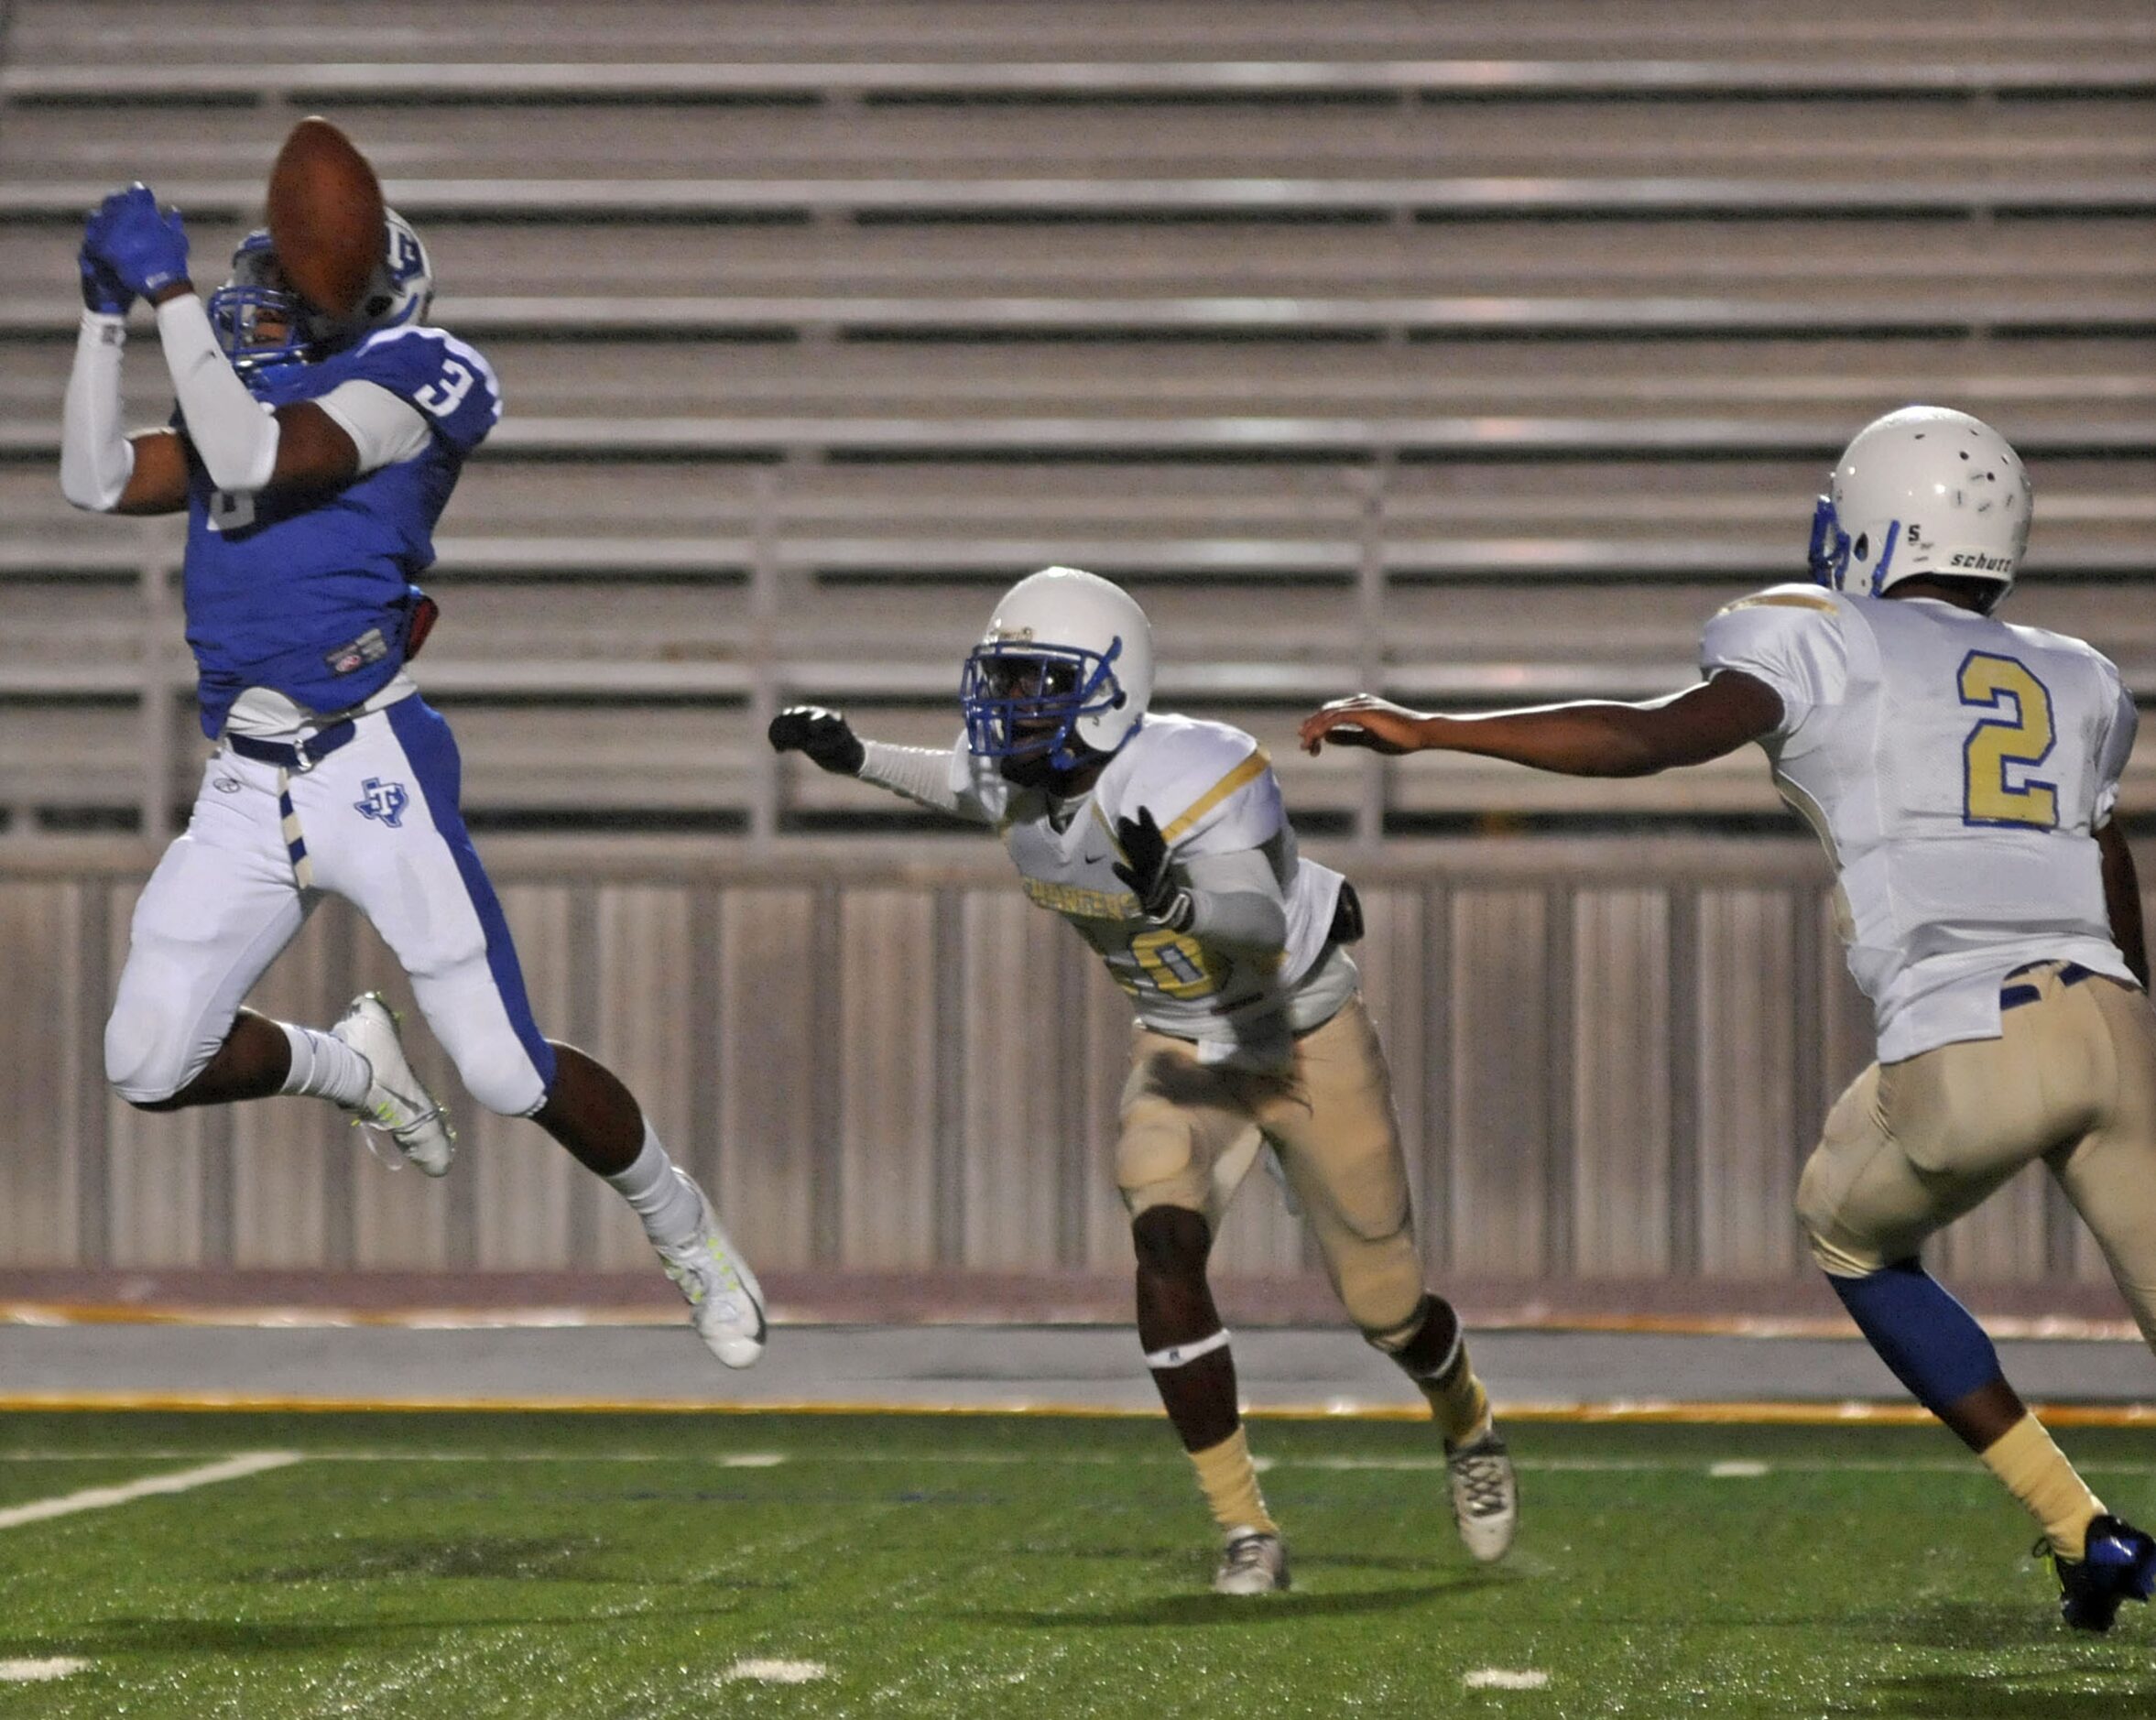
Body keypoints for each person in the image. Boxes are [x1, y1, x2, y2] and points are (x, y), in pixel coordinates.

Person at [1300, 404, 2155, 1631]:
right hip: (2111, 1023)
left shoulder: (1822, 634)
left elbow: (1649, 737)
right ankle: (2087, 1541)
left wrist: (1435, 728)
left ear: (1873, 518)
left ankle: (2078, 1525)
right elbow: (2103, 856)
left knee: (1846, 1231)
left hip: (1967, 1030)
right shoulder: (2074, 672)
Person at [60, 181, 765, 1369]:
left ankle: (679, 1219)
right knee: (145, 1062)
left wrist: (167, 289)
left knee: (501, 1067)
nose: (261, 298)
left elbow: (254, 451)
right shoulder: (250, 405)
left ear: (365, 295)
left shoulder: (421, 376)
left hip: (367, 763)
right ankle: (351, 1065)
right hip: (246, 780)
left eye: (291, 280)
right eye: (254, 277)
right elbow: (91, 479)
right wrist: (100, 317)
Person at [770, 565, 1516, 1593]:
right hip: (1176, 1047)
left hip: (1299, 1035)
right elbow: (951, 781)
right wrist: (850, 756)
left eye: (1037, 682)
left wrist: (1180, 902)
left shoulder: (1193, 769)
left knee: (1388, 1308)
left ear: (1112, 687)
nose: (1008, 707)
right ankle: (1244, 1527)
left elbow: (1253, 920)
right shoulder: (1017, 780)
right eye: (1005, 680)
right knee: (1161, 1239)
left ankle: (1465, 1418)